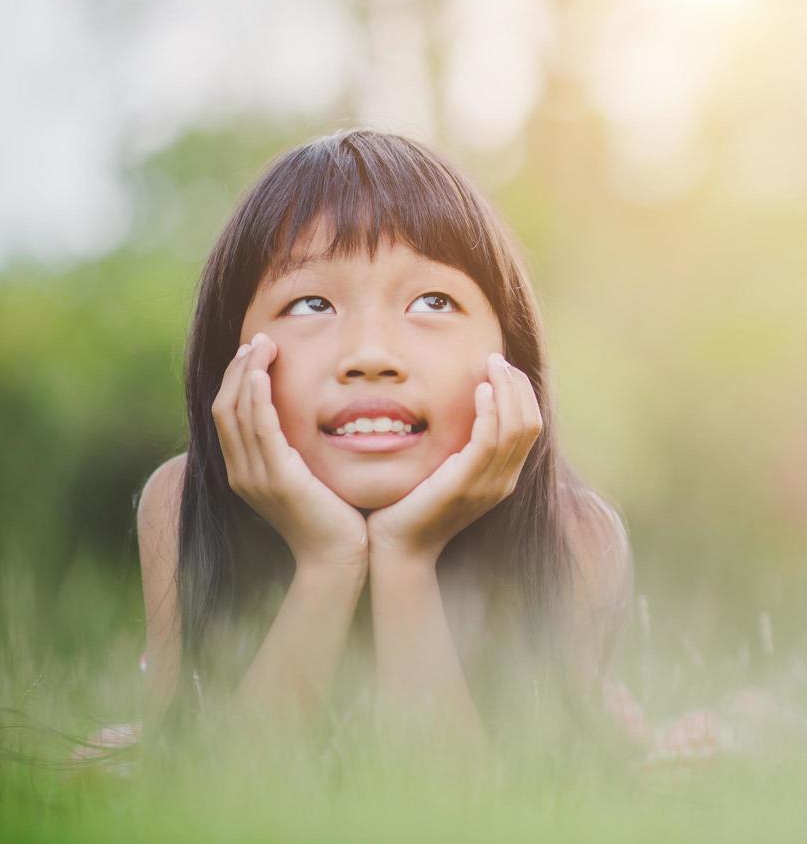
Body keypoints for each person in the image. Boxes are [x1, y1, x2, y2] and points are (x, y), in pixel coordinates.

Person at [129, 128, 643, 759]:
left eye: (433, 300)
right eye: (312, 303)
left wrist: (405, 556)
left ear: (510, 357)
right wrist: (328, 560)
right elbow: (215, 813)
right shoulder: (181, 504)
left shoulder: (574, 534)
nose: (371, 356)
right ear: (230, 359)